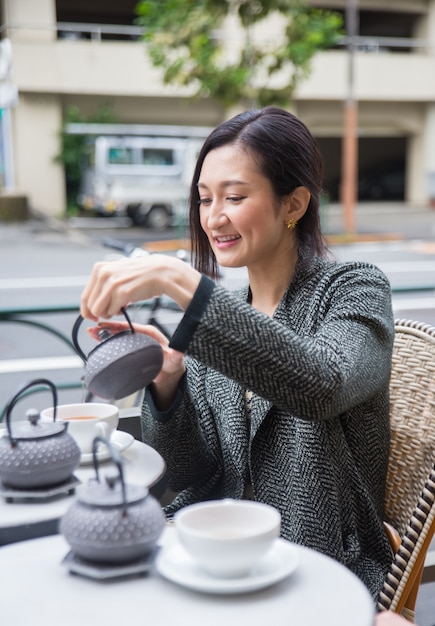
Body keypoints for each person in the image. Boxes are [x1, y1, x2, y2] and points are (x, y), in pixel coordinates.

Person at [80, 106, 394, 601]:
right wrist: (167, 384)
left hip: (324, 569)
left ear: (293, 205)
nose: (213, 217)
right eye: (205, 199)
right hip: (220, 557)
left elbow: (323, 385)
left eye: (235, 197)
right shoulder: (223, 322)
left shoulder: (354, 290)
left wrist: (185, 284)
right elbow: (189, 473)